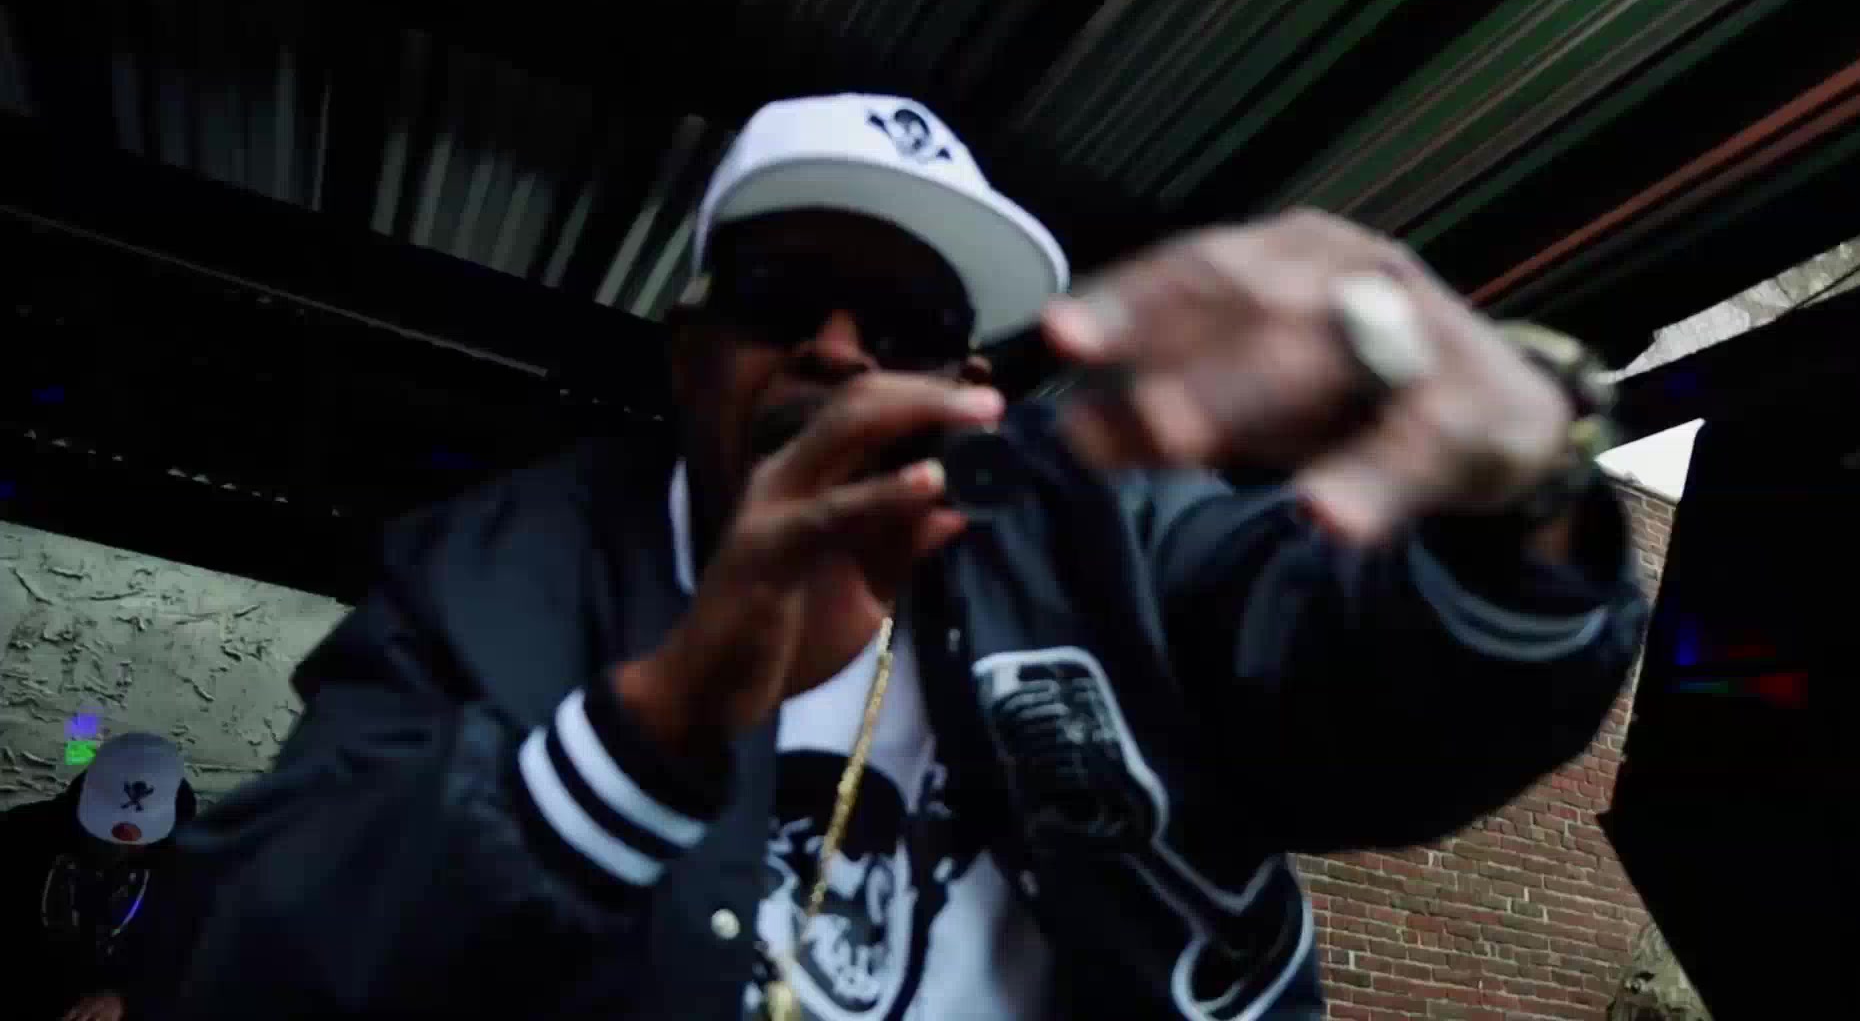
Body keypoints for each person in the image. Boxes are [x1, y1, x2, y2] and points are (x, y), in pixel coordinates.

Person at [167, 94, 1646, 1021]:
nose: (837, 348)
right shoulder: (493, 574)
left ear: (967, 379)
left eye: (905, 326)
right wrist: (656, 723)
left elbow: (1397, 716)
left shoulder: (1099, 525)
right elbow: (241, 956)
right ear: (689, 350)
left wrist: (1515, 498)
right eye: (782, 294)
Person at [0, 733, 195, 1021]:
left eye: (139, 839)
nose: (118, 846)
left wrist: (128, 998)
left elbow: (201, 958)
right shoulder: (22, 835)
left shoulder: (193, 865)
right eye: (101, 832)